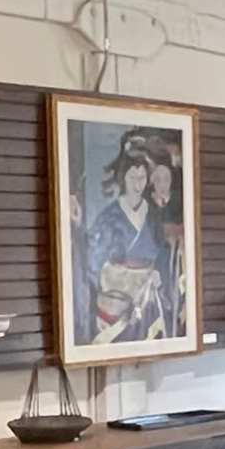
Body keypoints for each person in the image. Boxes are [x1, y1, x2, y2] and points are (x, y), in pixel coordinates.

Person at [78, 133, 181, 344]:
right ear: (123, 178)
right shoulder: (110, 216)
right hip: (116, 295)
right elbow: (93, 259)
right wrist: (115, 279)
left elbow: (162, 250)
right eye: (132, 178)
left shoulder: (153, 215)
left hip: (148, 292)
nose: (137, 184)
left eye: (142, 178)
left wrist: (158, 274)